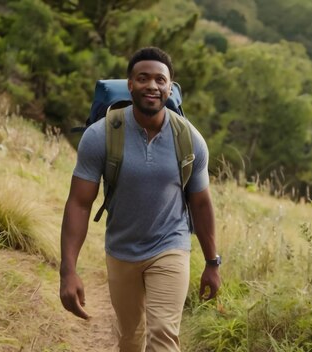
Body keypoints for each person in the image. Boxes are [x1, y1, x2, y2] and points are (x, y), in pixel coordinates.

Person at [60, 47, 221, 351]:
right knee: (130, 339)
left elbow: (201, 203)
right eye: (143, 78)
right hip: (121, 250)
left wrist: (212, 263)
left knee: (162, 334)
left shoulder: (189, 139)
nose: (152, 85)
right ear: (130, 84)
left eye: (160, 80)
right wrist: (68, 270)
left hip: (170, 246)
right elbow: (79, 203)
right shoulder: (101, 134)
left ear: (170, 88)